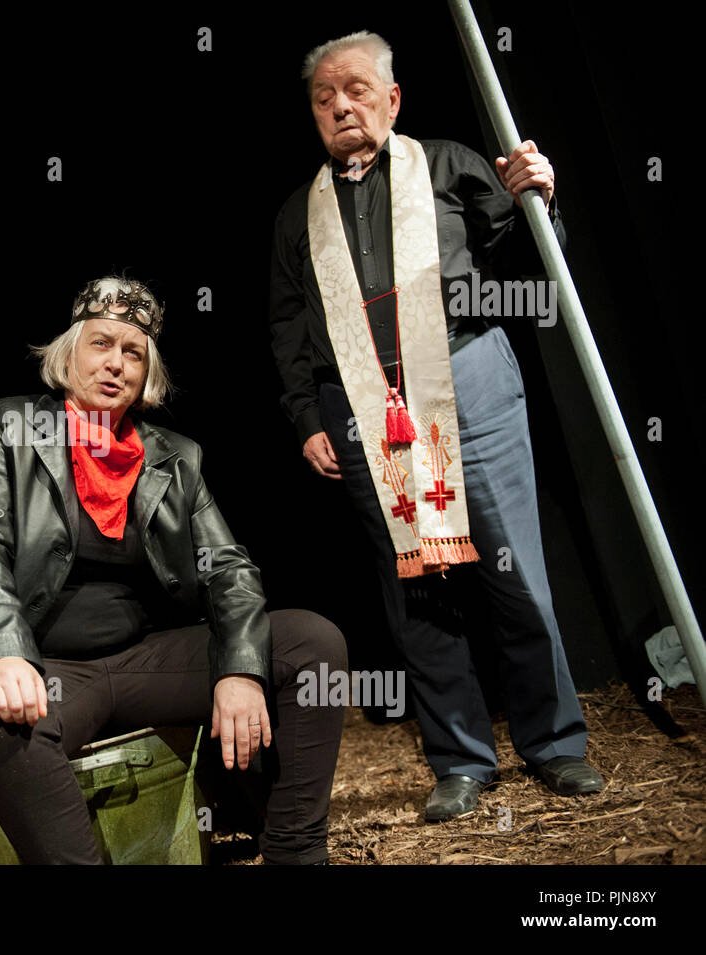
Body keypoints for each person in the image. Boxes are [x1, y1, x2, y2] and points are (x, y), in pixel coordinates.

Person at [268, 31, 604, 821]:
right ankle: (460, 757)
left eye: (356, 90)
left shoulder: (449, 164)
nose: (341, 105)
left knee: (512, 567)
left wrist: (541, 197)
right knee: (415, 589)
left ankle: (556, 743)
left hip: (469, 382)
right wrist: (305, 415)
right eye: (324, 97)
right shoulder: (297, 215)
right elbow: (288, 324)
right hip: (359, 407)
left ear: (392, 99)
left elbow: (535, 261)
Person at [0, 276, 346, 864]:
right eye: (100, 345)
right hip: (49, 664)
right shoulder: (11, 427)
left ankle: (295, 853)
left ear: (148, 372)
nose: (115, 364)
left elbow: (230, 571)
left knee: (312, 643)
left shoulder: (176, 457)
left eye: (132, 352)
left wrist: (240, 668)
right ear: (68, 355)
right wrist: (4, 650)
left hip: (144, 660)